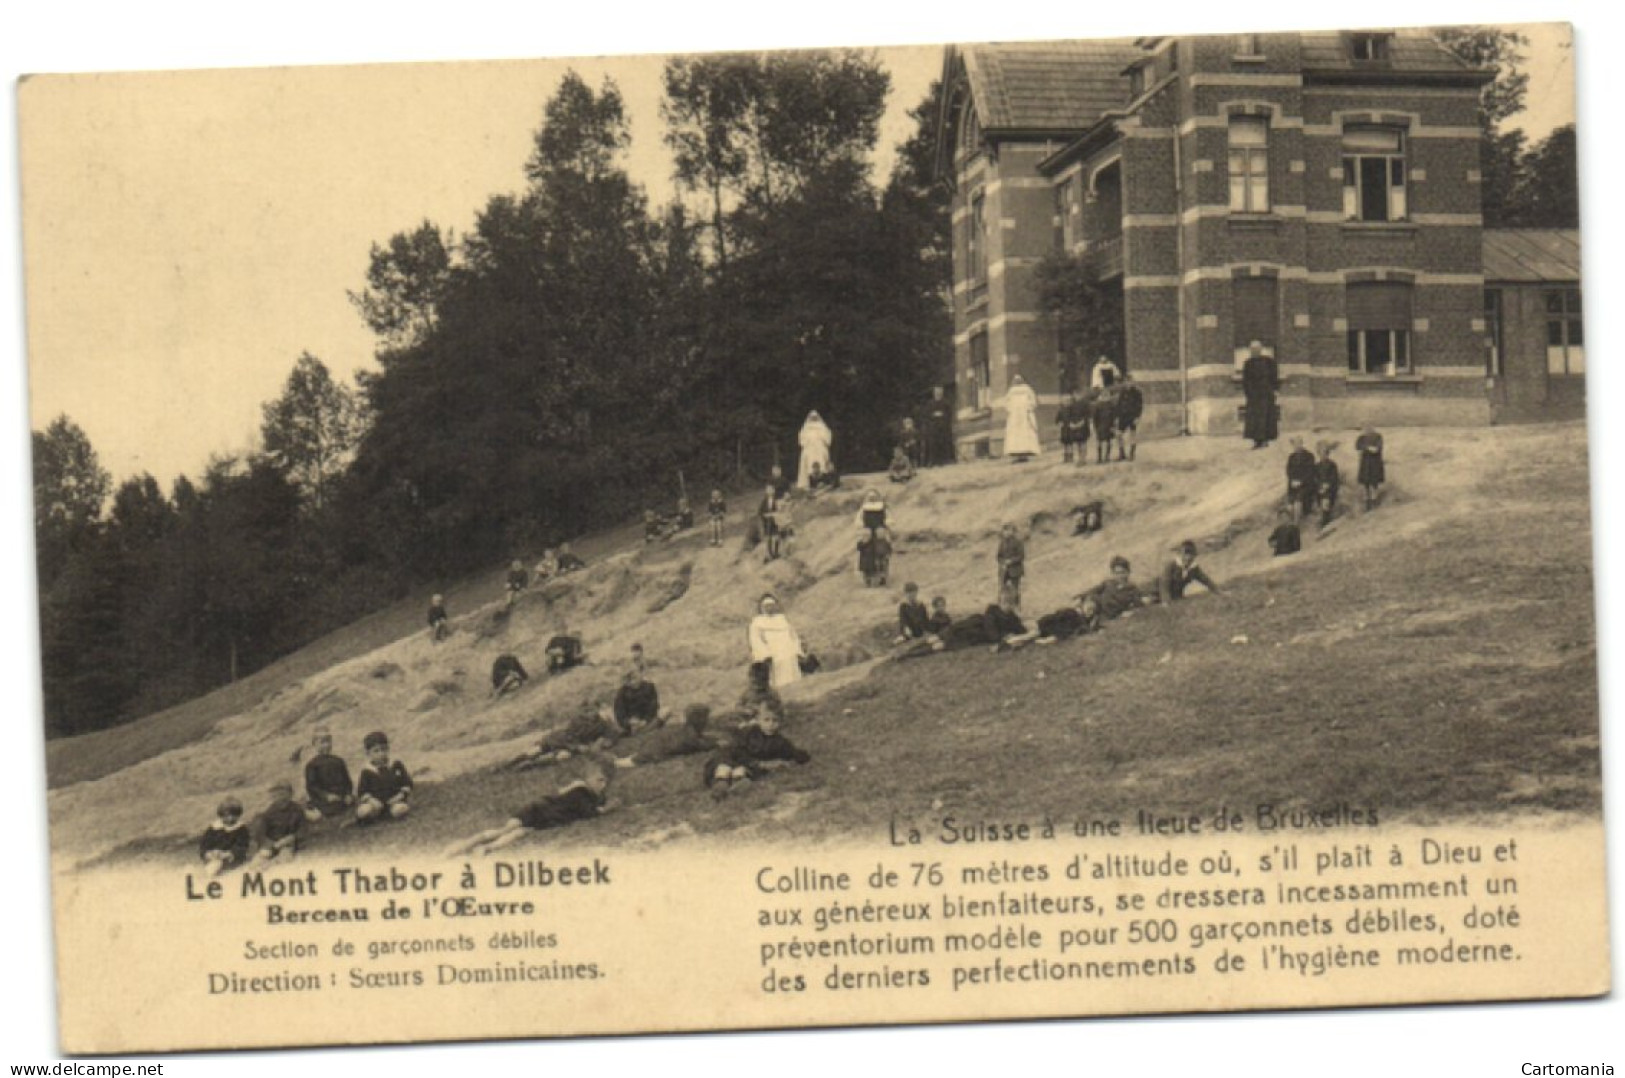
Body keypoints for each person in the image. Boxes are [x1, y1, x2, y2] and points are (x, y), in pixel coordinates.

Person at [444, 758, 613, 858]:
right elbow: (593, 813)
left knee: (520, 832)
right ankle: (465, 845)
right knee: (505, 829)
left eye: (605, 781)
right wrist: (610, 807)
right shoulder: (581, 791)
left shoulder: (588, 793)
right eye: (599, 780)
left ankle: (485, 849)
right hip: (539, 809)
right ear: (587, 778)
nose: (603, 785)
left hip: (548, 816)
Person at [703, 709, 811, 792]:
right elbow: (737, 749)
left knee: (741, 771)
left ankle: (736, 785)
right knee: (724, 767)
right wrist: (758, 763)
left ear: (780, 723)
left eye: (775, 720)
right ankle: (720, 784)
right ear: (759, 721)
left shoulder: (780, 741)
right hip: (734, 756)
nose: (771, 724)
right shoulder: (750, 733)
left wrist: (793, 759)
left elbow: (794, 753)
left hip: (748, 765)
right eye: (766, 720)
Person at [512, 703, 621, 769]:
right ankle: (510, 764)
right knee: (536, 750)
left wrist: (606, 741)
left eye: (591, 710)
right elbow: (569, 736)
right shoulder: (576, 721)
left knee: (563, 756)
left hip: (571, 748)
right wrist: (578, 746)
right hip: (561, 740)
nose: (589, 714)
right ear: (581, 712)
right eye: (585, 711)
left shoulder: (602, 723)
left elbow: (612, 733)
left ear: (597, 710)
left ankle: (531, 765)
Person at [616, 705, 718, 768]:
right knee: (632, 762)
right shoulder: (690, 736)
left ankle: (622, 761)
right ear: (698, 720)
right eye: (705, 718)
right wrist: (715, 743)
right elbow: (701, 745)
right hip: (655, 751)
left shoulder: (688, 730)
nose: (707, 721)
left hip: (654, 745)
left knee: (631, 759)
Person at [1002, 594, 1104, 650]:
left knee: (1031, 634)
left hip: (1050, 629)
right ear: (1083, 604)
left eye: (1092, 611)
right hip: (1047, 625)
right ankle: (1010, 640)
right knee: (1032, 633)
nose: (1089, 612)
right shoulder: (1072, 613)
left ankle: (1012, 641)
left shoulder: (1081, 621)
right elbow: (1055, 617)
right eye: (1088, 608)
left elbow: (1075, 630)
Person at [748, 594, 807, 690]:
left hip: (788, 652)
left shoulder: (782, 619)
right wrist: (765, 654)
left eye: (772, 605)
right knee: (777, 679)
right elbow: (756, 640)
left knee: (792, 674)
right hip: (773, 654)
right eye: (767, 606)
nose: (769, 608)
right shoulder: (757, 622)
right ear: (762, 608)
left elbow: (793, 637)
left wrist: (797, 651)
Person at [355, 731, 413, 823]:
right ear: (368, 753)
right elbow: (362, 791)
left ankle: (390, 813)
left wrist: (399, 796)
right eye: (376, 751)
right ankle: (374, 815)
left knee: (400, 809)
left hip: (394, 801)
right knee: (364, 811)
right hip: (376, 804)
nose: (381, 754)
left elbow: (407, 784)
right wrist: (372, 800)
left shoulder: (395, 765)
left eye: (384, 749)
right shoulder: (367, 771)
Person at [302, 729, 353, 820]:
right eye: (322, 742)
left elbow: (347, 780)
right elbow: (312, 786)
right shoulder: (312, 765)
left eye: (328, 742)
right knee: (329, 809)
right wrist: (326, 796)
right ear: (314, 745)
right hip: (324, 798)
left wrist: (348, 793)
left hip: (340, 795)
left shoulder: (338, 761)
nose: (326, 745)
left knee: (348, 803)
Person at [1087, 556, 1155, 620]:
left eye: (1122, 572)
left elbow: (1140, 600)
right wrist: (1088, 600)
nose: (1120, 576)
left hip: (1105, 615)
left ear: (1128, 572)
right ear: (1113, 573)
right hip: (1092, 609)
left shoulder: (1132, 589)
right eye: (1117, 573)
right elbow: (1092, 591)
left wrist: (1146, 600)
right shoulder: (1108, 583)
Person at [253, 782, 307, 862]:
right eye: (275, 796)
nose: (280, 799)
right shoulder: (269, 812)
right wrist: (270, 844)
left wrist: (292, 837)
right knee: (260, 858)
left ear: (290, 795)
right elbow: (260, 833)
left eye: (283, 795)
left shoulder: (297, 810)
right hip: (271, 843)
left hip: (287, 843)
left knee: (285, 858)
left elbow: (303, 829)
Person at [1241, 341, 1280, 449]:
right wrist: (1248, 392)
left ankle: (1265, 440)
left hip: (1266, 394)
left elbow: (1274, 376)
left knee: (1265, 417)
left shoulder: (1268, 362)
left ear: (1260, 349)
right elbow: (1245, 380)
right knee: (1254, 419)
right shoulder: (1248, 363)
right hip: (1254, 396)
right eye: (1252, 350)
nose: (1254, 352)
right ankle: (1256, 441)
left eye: (1256, 349)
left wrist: (1275, 390)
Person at [198, 796, 250, 877]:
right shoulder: (214, 828)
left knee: (223, 869)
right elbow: (204, 844)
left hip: (232, 858)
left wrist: (230, 853)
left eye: (234, 815)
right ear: (221, 815)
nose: (230, 818)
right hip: (215, 856)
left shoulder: (241, 829)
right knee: (212, 867)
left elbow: (242, 846)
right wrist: (208, 853)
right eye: (227, 816)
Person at [1002, 375, 1041, 461]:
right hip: (1015, 417)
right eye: (1016, 380)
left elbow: (1033, 401)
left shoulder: (1027, 390)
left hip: (1024, 416)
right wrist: (1011, 410)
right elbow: (1006, 402)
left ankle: (1024, 454)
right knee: (1016, 435)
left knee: (1025, 433)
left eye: (1019, 380)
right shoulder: (1011, 391)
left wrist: (1028, 408)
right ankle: (1018, 454)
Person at [612, 668, 662, 733]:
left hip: (646, 720)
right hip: (632, 721)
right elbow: (619, 712)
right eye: (630, 679)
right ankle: (642, 730)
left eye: (635, 678)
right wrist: (629, 722)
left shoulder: (649, 687)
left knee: (666, 711)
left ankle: (643, 730)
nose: (633, 682)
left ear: (640, 676)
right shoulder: (622, 692)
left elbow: (654, 706)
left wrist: (645, 720)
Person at [795, 411, 834, 490]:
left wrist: (820, 439)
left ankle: (823, 482)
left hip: (820, 449)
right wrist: (808, 442)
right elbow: (802, 441)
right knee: (808, 460)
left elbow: (827, 439)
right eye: (812, 418)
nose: (814, 420)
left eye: (815, 418)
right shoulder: (805, 429)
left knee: (822, 462)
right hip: (809, 449)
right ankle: (808, 483)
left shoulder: (823, 427)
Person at [1285, 437, 1317, 522]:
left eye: (1298, 444)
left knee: (1298, 502)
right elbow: (1289, 471)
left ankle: (1297, 523)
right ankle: (1290, 522)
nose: (1296, 447)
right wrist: (1293, 480)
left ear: (1301, 444)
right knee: (1290, 504)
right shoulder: (1291, 457)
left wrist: (1301, 481)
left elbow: (1310, 472)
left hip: (1306, 485)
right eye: (1294, 445)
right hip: (1293, 485)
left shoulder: (1309, 456)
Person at [1355, 423, 1386, 510]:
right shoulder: (1361, 438)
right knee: (1365, 482)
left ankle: (1374, 500)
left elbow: (1377, 448)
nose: (1367, 429)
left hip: (1374, 463)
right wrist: (1367, 448)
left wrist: (1368, 448)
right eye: (1366, 428)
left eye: (1369, 428)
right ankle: (1367, 502)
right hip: (1365, 463)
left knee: (1374, 482)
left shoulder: (1378, 436)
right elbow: (1357, 446)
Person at [924, 385, 954, 467]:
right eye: (937, 392)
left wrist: (943, 415)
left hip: (943, 427)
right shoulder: (930, 404)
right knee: (933, 444)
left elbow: (950, 414)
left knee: (944, 442)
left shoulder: (946, 403)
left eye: (940, 392)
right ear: (934, 393)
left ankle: (944, 460)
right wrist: (934, 415)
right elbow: (926, 416)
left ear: (942, 393)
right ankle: (933, 461)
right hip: (933, 428)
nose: (938, 394)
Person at [996, 524, 1025, 610]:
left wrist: (1011, 561)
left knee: (1015, 589)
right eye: (1005, 531)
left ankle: (1017, 607)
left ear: (1013, 532)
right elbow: (998, 556)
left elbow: (1021, 556)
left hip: (1015, 570)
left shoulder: (1018, 542)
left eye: (1009, 531)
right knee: (1001, 588)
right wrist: (1003, 563)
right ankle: (1001, 606)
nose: (1007, 533)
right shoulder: (1002, 542)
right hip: (1004, 570)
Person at [1115, 374, 1143, 461]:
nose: (1128, 383)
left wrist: (1137, 417)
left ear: (1133, 382)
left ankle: (1132, 453)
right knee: (1118, 434)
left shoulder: (1137, 393)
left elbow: (1139, 406)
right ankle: (1122, 453)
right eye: (1126, 382)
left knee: (1132, 434)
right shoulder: (1123, 392)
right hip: (1123, 416)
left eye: (1130, 381)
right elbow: (1119, 404)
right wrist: (1117, 416)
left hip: (1132, 416)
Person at [1315, 441, 1342, 528]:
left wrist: (1327, 485)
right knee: (1321, 501)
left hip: (1330, 489)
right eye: (1321, 453)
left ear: (1328, 454)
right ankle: (1323, 520)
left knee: (1326, 501)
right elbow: (1315, 478)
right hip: (1319, 489)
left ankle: (1325, 522)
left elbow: (1334, 478)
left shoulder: (1332, 465)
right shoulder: (1317, 466)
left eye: (1325, 453)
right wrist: (1320, 486)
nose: (1323, 455)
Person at [1058, 390, 1089, 465]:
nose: (1076, 396)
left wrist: (1082, 422)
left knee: (1083, 442)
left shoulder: (1085, 404)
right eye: (1075, 395)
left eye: (1078, 395)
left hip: (1083, 425)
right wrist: (1071, 423)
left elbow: (1087, 415)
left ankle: (1083, 458)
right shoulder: (1072, 405)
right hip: (1074, 426)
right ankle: (1080, 458)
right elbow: (1069, 415)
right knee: (1078, 442)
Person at [1089, 388, 1118, 464]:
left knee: (1109, 441)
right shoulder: (1098, 405)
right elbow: (1095, 416)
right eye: (1104, 395)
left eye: (1107, 395)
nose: (1105, 397)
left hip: (1109, 425)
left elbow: (1114, 416)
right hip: (1100, 426)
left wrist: (1114, 426)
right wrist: (1095, 426)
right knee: (1099, 441)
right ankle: (1099, 457)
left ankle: (1107, 456)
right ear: (1101, 396)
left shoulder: (1112, 405)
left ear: (1109, 396)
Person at [758, 484, 785, 562]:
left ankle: (776, 552)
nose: (770, 492)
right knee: (768, 537)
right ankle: (770, 553)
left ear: (774, 491)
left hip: (776, 521)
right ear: (766, 492)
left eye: (771, 490)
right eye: (768, 490)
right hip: (767, 522)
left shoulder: (776, 500)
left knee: (777, 536)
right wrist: (765, 515)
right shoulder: (764, 501)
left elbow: (780, 510)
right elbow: (760, 512)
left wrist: (776, 514)